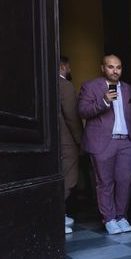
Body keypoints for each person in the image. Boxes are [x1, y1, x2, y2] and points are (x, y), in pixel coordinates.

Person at [78, 54, 131, 235]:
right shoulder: (90, 86)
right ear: (102, 68)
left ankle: (121, 216)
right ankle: (109, 219)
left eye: (118, 67)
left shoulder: (129, 89)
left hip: (125, 141)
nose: (115, 70)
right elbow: (82, 111)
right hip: (103, 142)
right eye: (110, 67)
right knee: (105, 182)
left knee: (125, 181)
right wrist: (103, 101)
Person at [59, 55, 83, 234]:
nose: (69, 70)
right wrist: (80, 141)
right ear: (62, 67)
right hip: (66, 142)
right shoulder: (65, 86)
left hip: (50, 144)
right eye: (68, 67)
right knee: (69, 178)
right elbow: (72, 117)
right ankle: (55, 215)